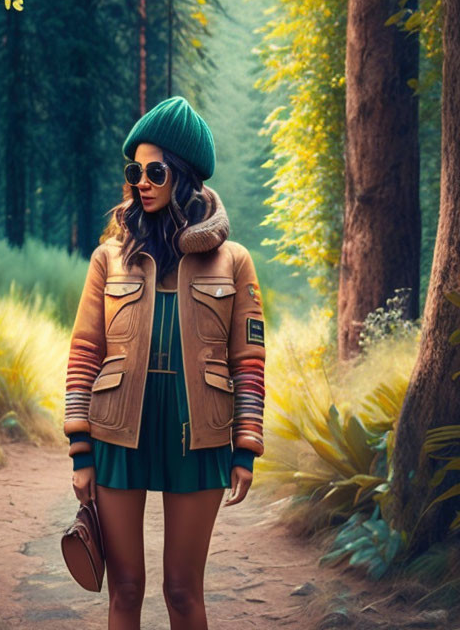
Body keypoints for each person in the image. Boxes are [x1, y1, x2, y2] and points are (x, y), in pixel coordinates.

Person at [63, 96, 266, 629]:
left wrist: (245, 446)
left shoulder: (234, 261)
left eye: (156, 171)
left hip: (198, 438)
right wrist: (80, 451)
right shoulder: (109, 258)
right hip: (117, 435)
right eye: (136, 171)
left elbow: (248, 360)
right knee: (125, 589)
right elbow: (85, 352)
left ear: (186, 178)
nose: (142, 182)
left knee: (183, 591)